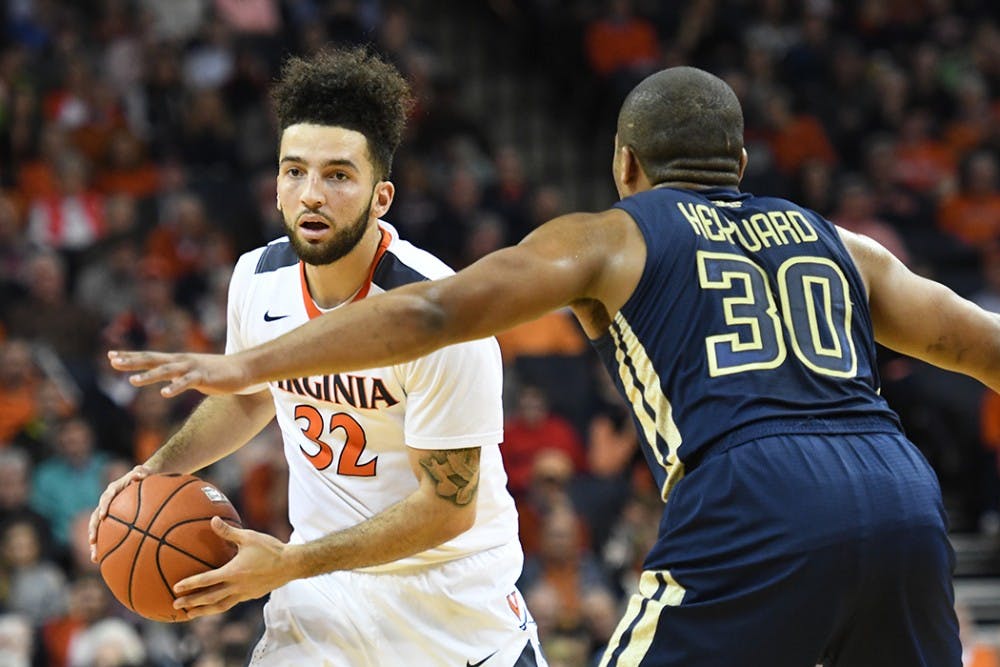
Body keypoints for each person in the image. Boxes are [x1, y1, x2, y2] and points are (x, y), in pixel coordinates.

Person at [99, 66, 990, 666]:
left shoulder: (612, 235)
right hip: (903, 493)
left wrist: (241, 364)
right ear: (743, 165)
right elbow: (976, 345)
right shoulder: (844, 244)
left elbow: (433, 314)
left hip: (754, 490)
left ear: (624, 163)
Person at [89, 48, 546, 667]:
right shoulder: (256, 276)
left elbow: (446, 509)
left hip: (449, 601)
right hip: (324, 595)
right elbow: (251, 397)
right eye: (294, 171)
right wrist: (156, 471)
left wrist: (290, 562)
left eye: (337, 175)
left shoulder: (439, 313)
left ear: (381, 196)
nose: (311, 194)